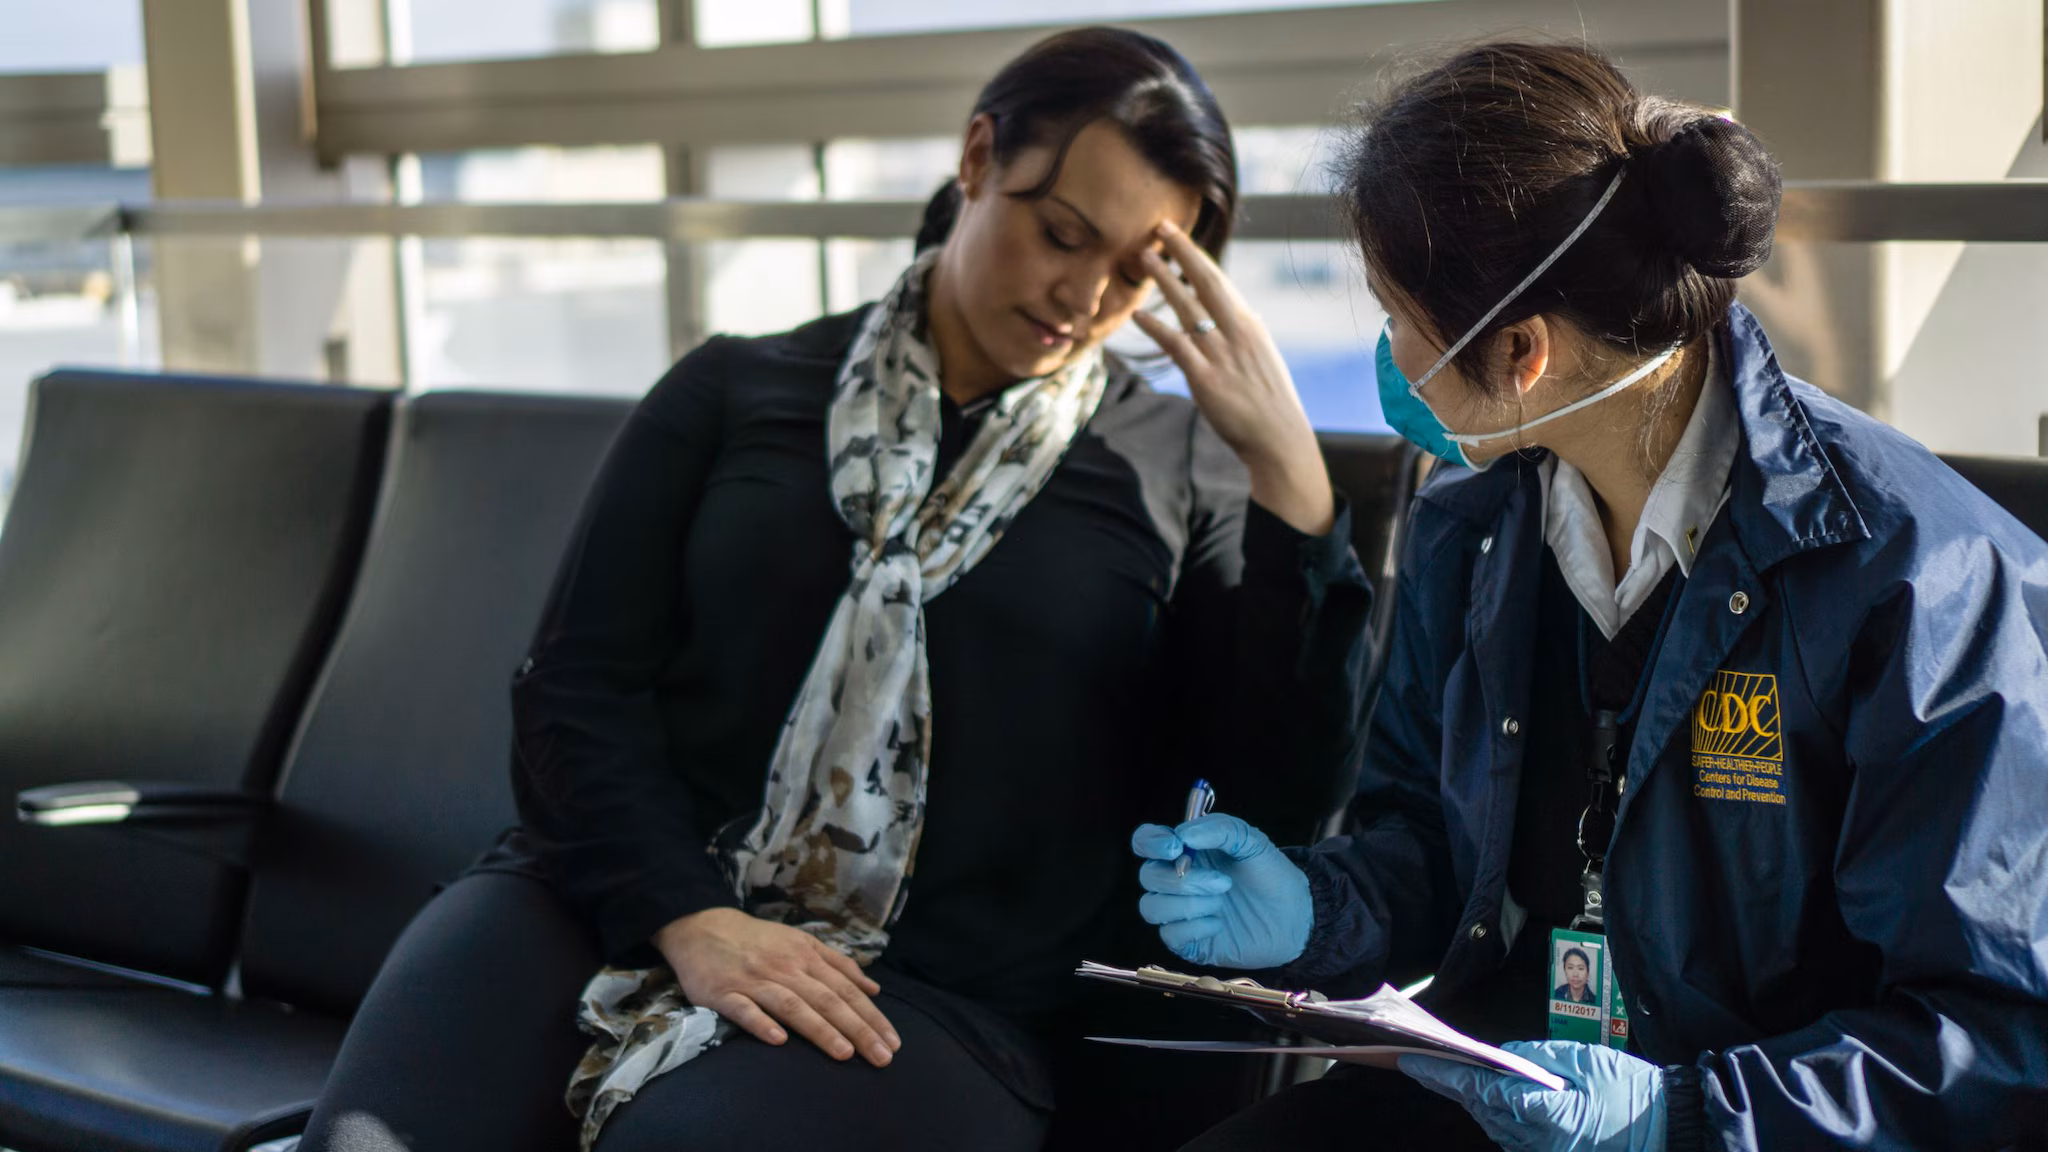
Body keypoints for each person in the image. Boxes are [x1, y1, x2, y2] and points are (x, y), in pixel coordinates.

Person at [299, 25, 1372, 1152]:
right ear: (975, 161)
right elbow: (574, 687)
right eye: (1061, 234)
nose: (1083, 294)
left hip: (929, 993)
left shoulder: (1181, 472)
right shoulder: (732, 390)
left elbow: (1267, 798)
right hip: (603, 898)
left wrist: (1292, 483)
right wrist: (689, 916)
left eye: (1135, 275)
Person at [1131, 40, 2048, 1152]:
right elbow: (1424, 841)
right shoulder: (1469, 528)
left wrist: (1677, 1118)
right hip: (1500, 1093)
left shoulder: (1914, 579)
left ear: (1518, 350)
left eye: (1394, 313)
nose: (1386, 353)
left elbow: (1990, 1038)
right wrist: (1307, 910)